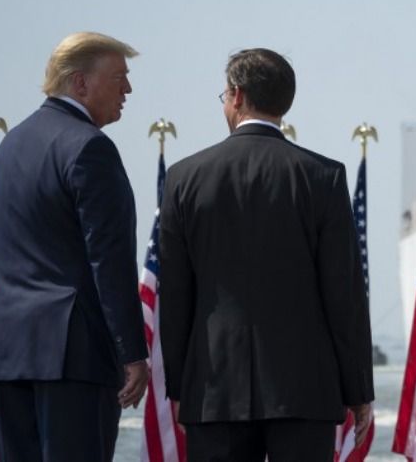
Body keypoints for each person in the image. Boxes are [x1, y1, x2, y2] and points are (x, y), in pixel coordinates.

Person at [159, 48, 374, 461]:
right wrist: (358, 390)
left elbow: (176, 294)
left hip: (213, 389)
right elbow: (343, 294)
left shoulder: (184, 179)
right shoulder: (324, 178)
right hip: (304, 391)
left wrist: (180, 385)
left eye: (223, 94)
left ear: (237, 95)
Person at [0, 31, 150, 461]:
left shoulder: (9, 147)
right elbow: (110, 260)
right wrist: (133, 353)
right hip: (72, 358)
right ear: (80, 83)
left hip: (4, 353)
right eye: (119, 77)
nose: (128, 89)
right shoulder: (90, 148)